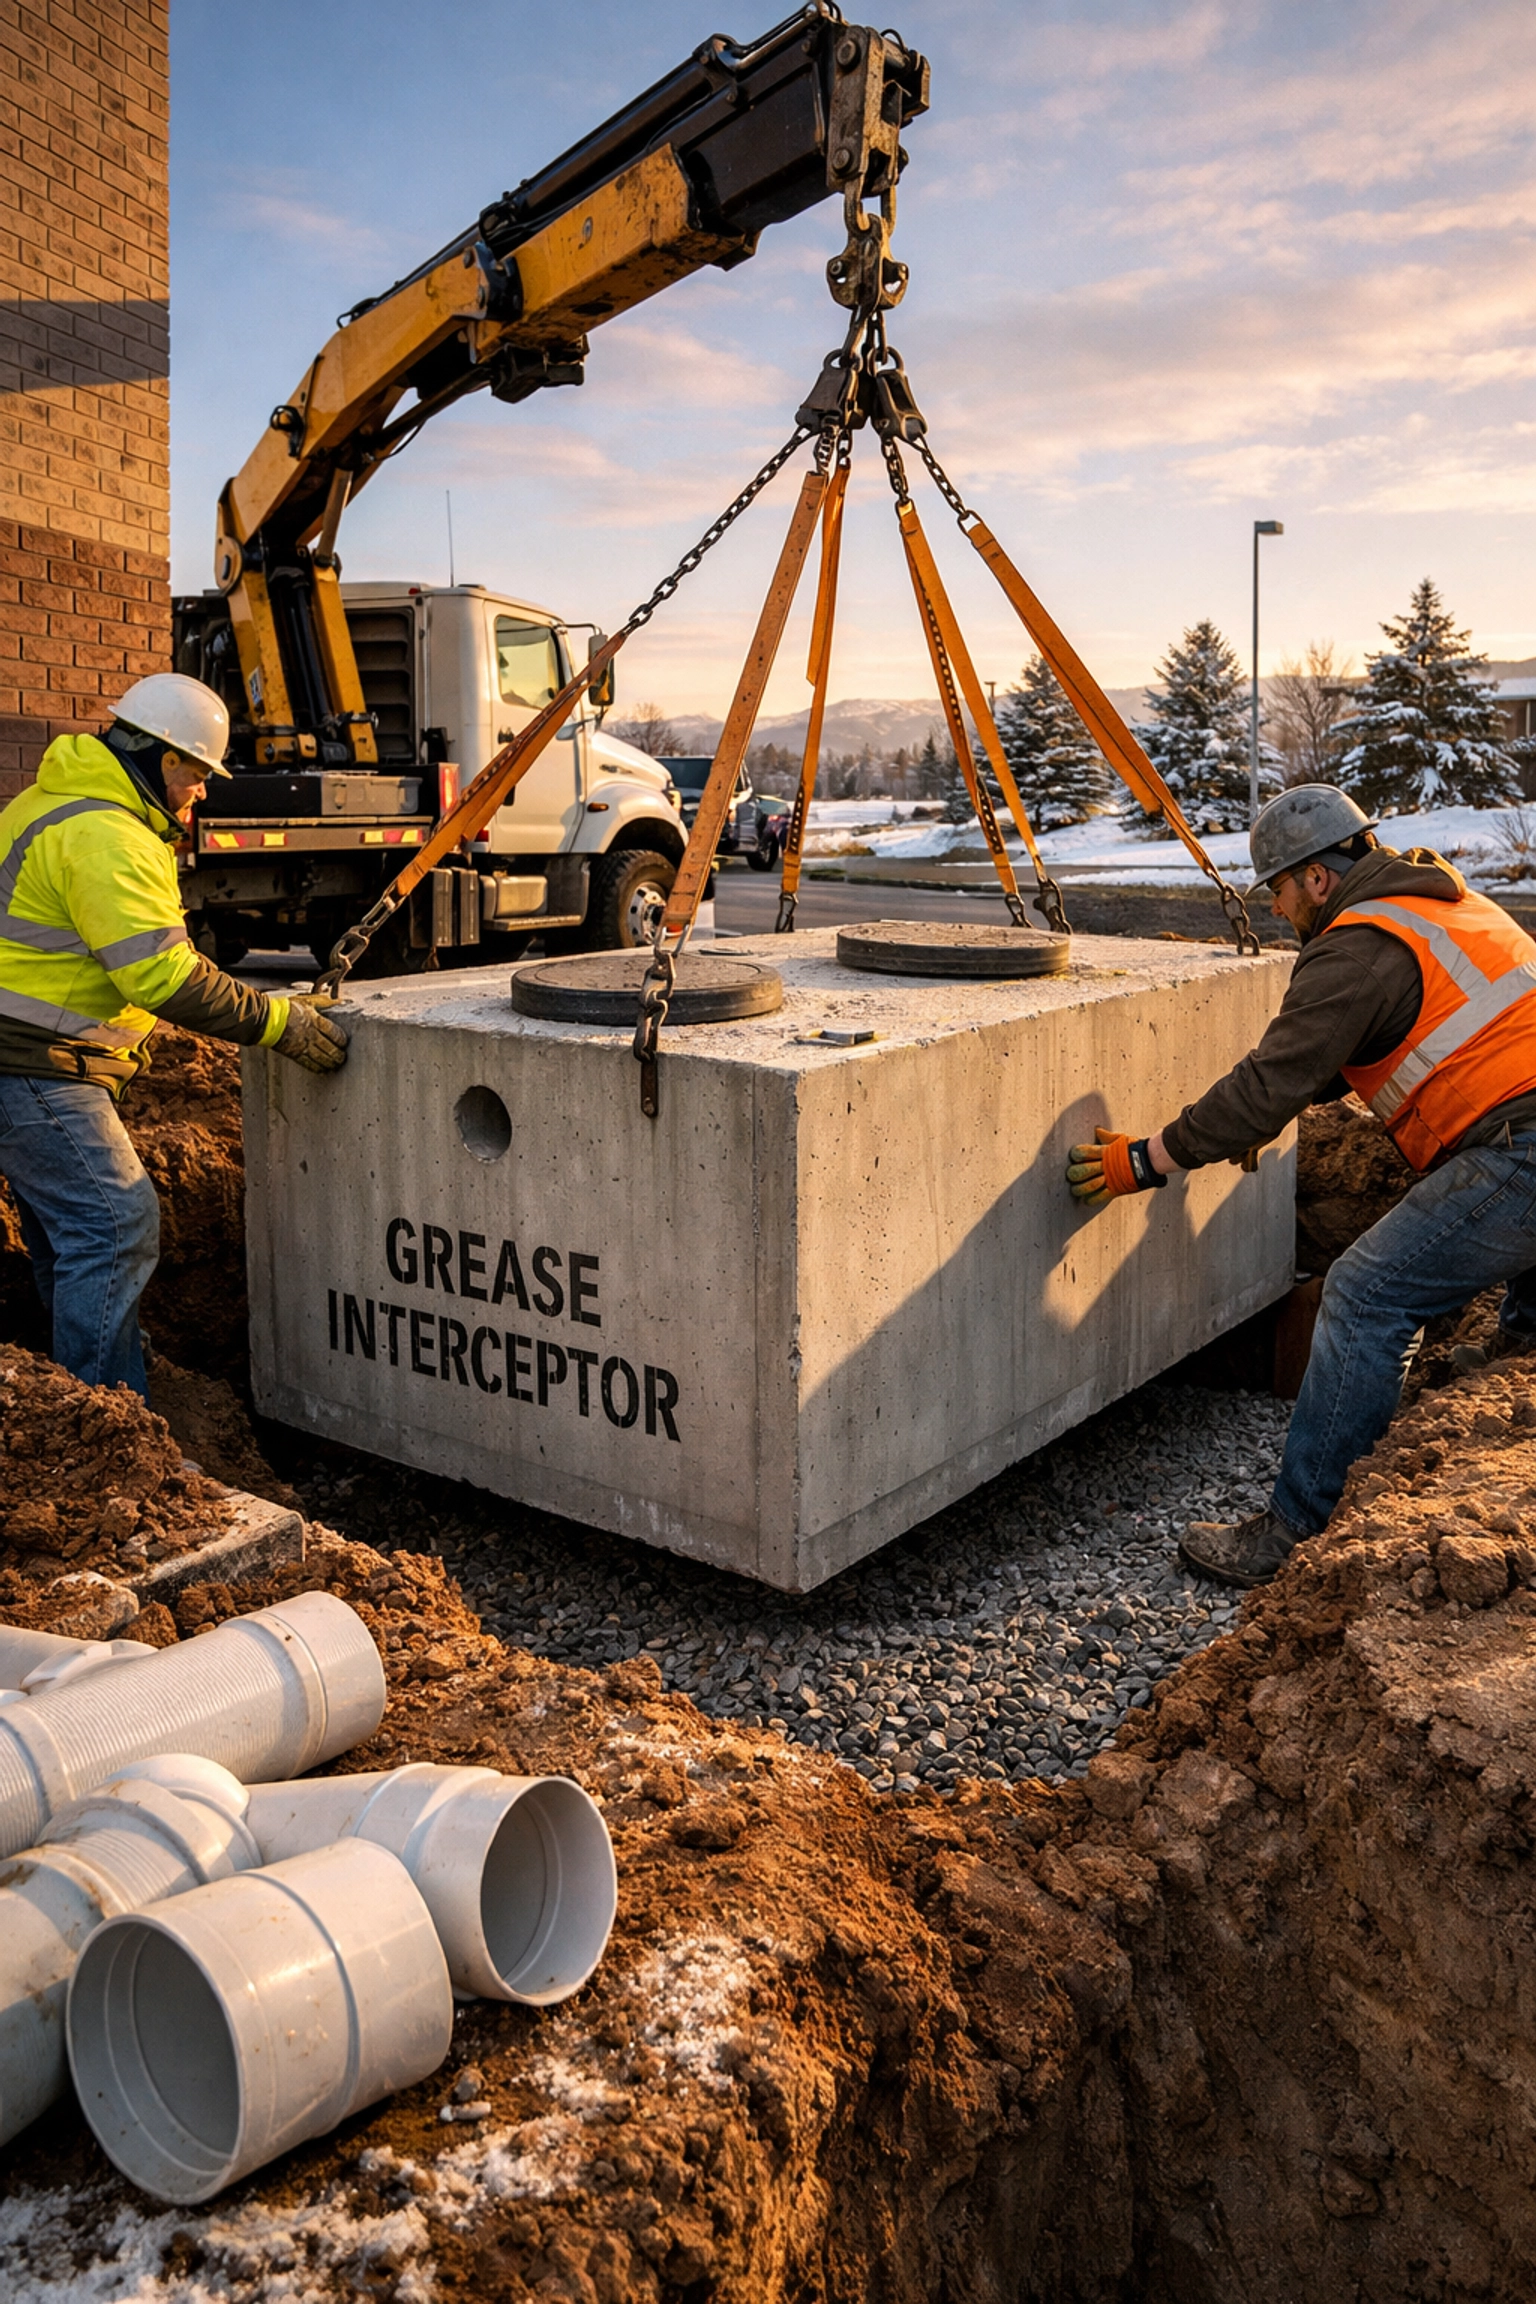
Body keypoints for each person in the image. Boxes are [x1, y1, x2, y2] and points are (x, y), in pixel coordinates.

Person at [1065, 783, 1536, 1588]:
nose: (1279, 911)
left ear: (1317, 878)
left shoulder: (1356, 944)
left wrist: (1145, 1160)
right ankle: (1517, 1354)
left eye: (1279, 891)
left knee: (1364, 1293)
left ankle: (1298, 1529)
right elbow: (1350, 1054)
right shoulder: (1443, 904)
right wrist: (1251, 1125)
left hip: (1521, 1152)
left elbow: (1271, 1080)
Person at [0, 673, 348, 1400]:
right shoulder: (106, 834)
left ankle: (74, 1391)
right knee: (114, 1225)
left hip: (25, 1056)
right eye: (196, 771)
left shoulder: (55, 803)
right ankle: (106, 1419)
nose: (201, 790)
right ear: (158, 757)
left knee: (69, 1241)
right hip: (34, 1066)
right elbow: (161, 979)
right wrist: (279, 1024)